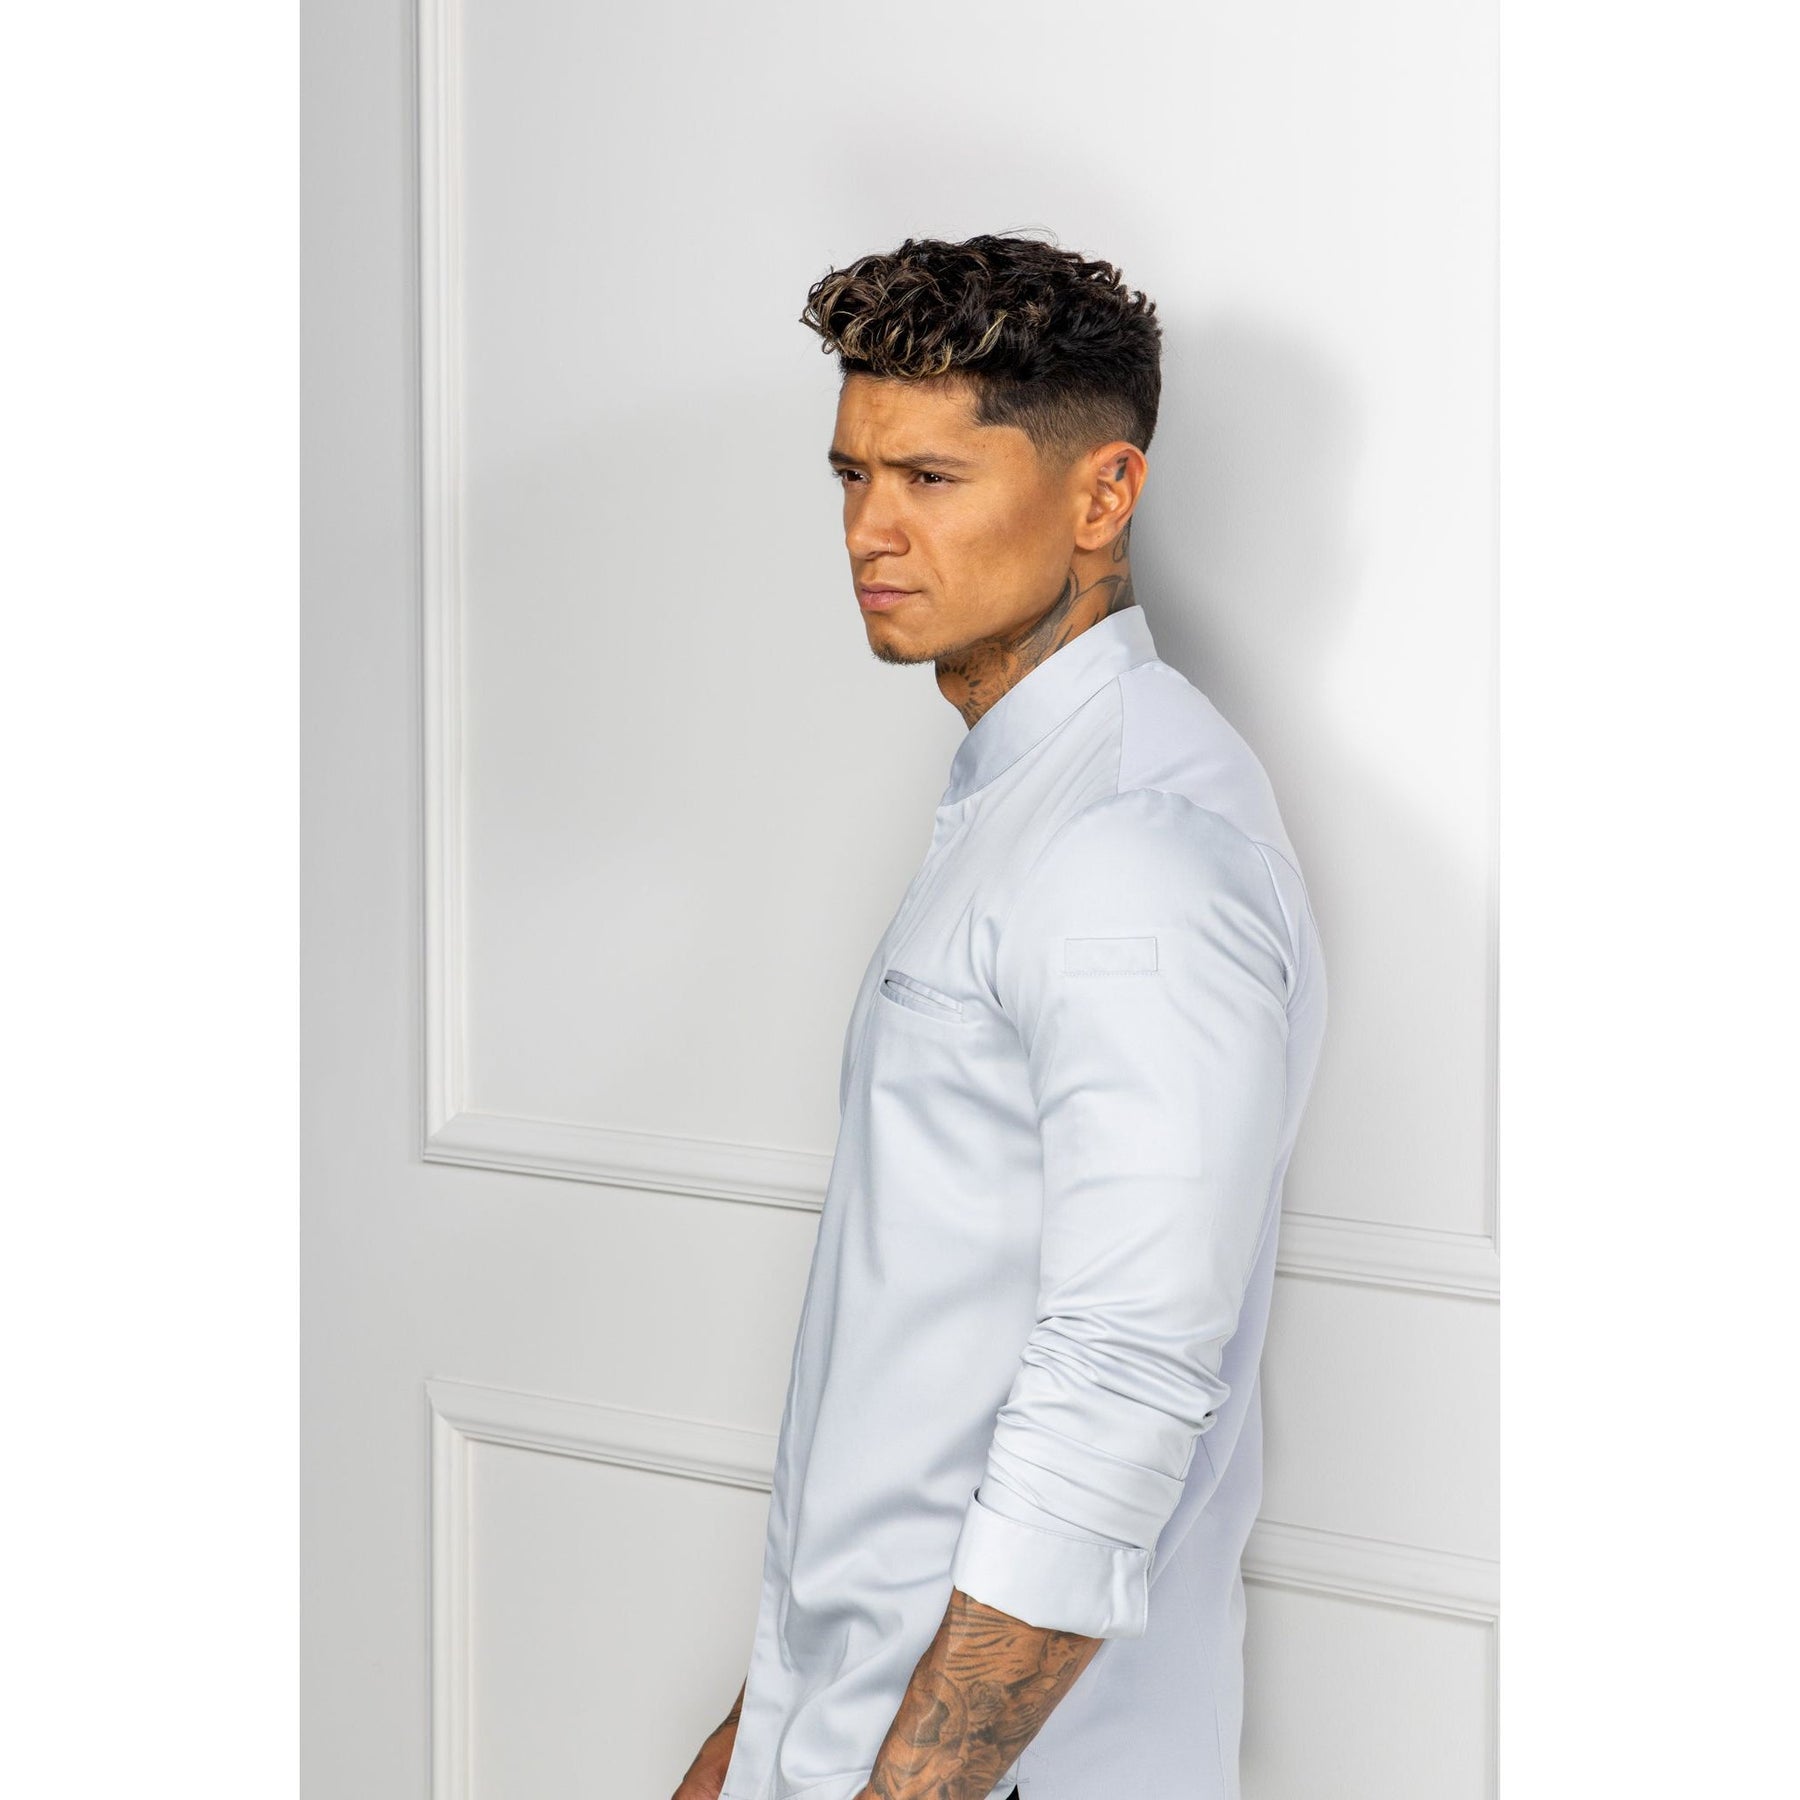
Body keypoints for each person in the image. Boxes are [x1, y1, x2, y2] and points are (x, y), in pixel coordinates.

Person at [673, 232, 1328, 1800]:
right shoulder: (1025, 802)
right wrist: (756, 1742)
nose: (869, 530)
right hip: (858, 1739)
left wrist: (905, 1789)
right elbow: (918, 1361)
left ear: (1103, 496)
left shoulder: (1133, 844)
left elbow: (1122, 1384)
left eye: (931, 479)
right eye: (853, 476)